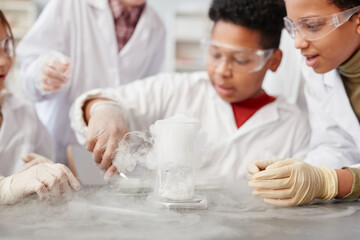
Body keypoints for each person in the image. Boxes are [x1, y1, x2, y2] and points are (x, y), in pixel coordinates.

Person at [70, 0, 310, 180]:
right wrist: (103, 109)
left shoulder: (294, 126)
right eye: (215, 54)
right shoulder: (176, 89)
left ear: (274, 61)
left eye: (240, 60)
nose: (222, 70)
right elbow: (101, 101)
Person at [16, 0, 166, 164]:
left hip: (112, 157)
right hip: (58, 145)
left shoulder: (156, 27)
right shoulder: (71, 4)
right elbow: (29, 63)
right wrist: (42, 74)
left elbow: (145, 96)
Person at [248, 0, 360, 206]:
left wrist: (330, 182)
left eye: (312, 26)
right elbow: (336, 143)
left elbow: (330, 181)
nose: (298, 43)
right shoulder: (319, 71)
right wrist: (295, 172)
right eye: (292, 27)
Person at [0, 10, 80, 205]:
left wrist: (49, 176)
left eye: (5, 47)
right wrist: (6, 188)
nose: (3, 61)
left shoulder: (26, 114)